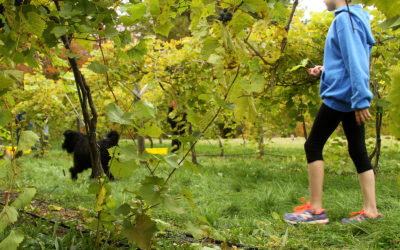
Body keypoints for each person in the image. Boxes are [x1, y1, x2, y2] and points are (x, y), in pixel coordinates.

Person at [284, 0, 381, 224]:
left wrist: (361, 99)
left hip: (341, 96)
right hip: (349, 94)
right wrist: (325, 71)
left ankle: (315, 211)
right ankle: (371, 211)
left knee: (313, 145)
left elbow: (356, 62)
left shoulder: (345, 20)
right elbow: (346, 61)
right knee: (358, 150)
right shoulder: (353, 18)